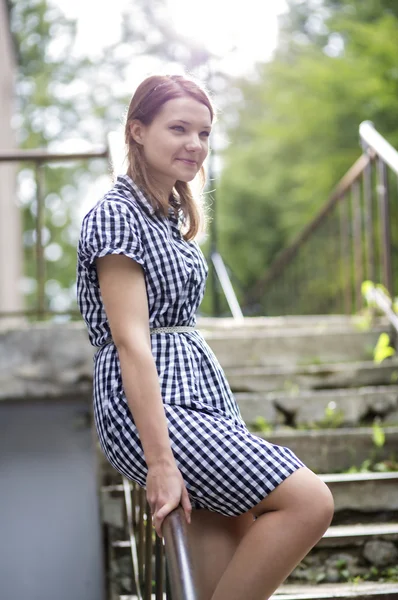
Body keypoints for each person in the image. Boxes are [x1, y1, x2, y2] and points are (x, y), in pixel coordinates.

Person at [76, 74, 334, 600]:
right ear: (138, 130)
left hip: (199, 396)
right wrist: (160, 463)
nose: (195, 144)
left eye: (204, 133)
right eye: (179, 128)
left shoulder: (169, 216)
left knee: (219, 578)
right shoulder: (116, 215)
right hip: (156, 408)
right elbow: (131, 343)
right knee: (310, 501)